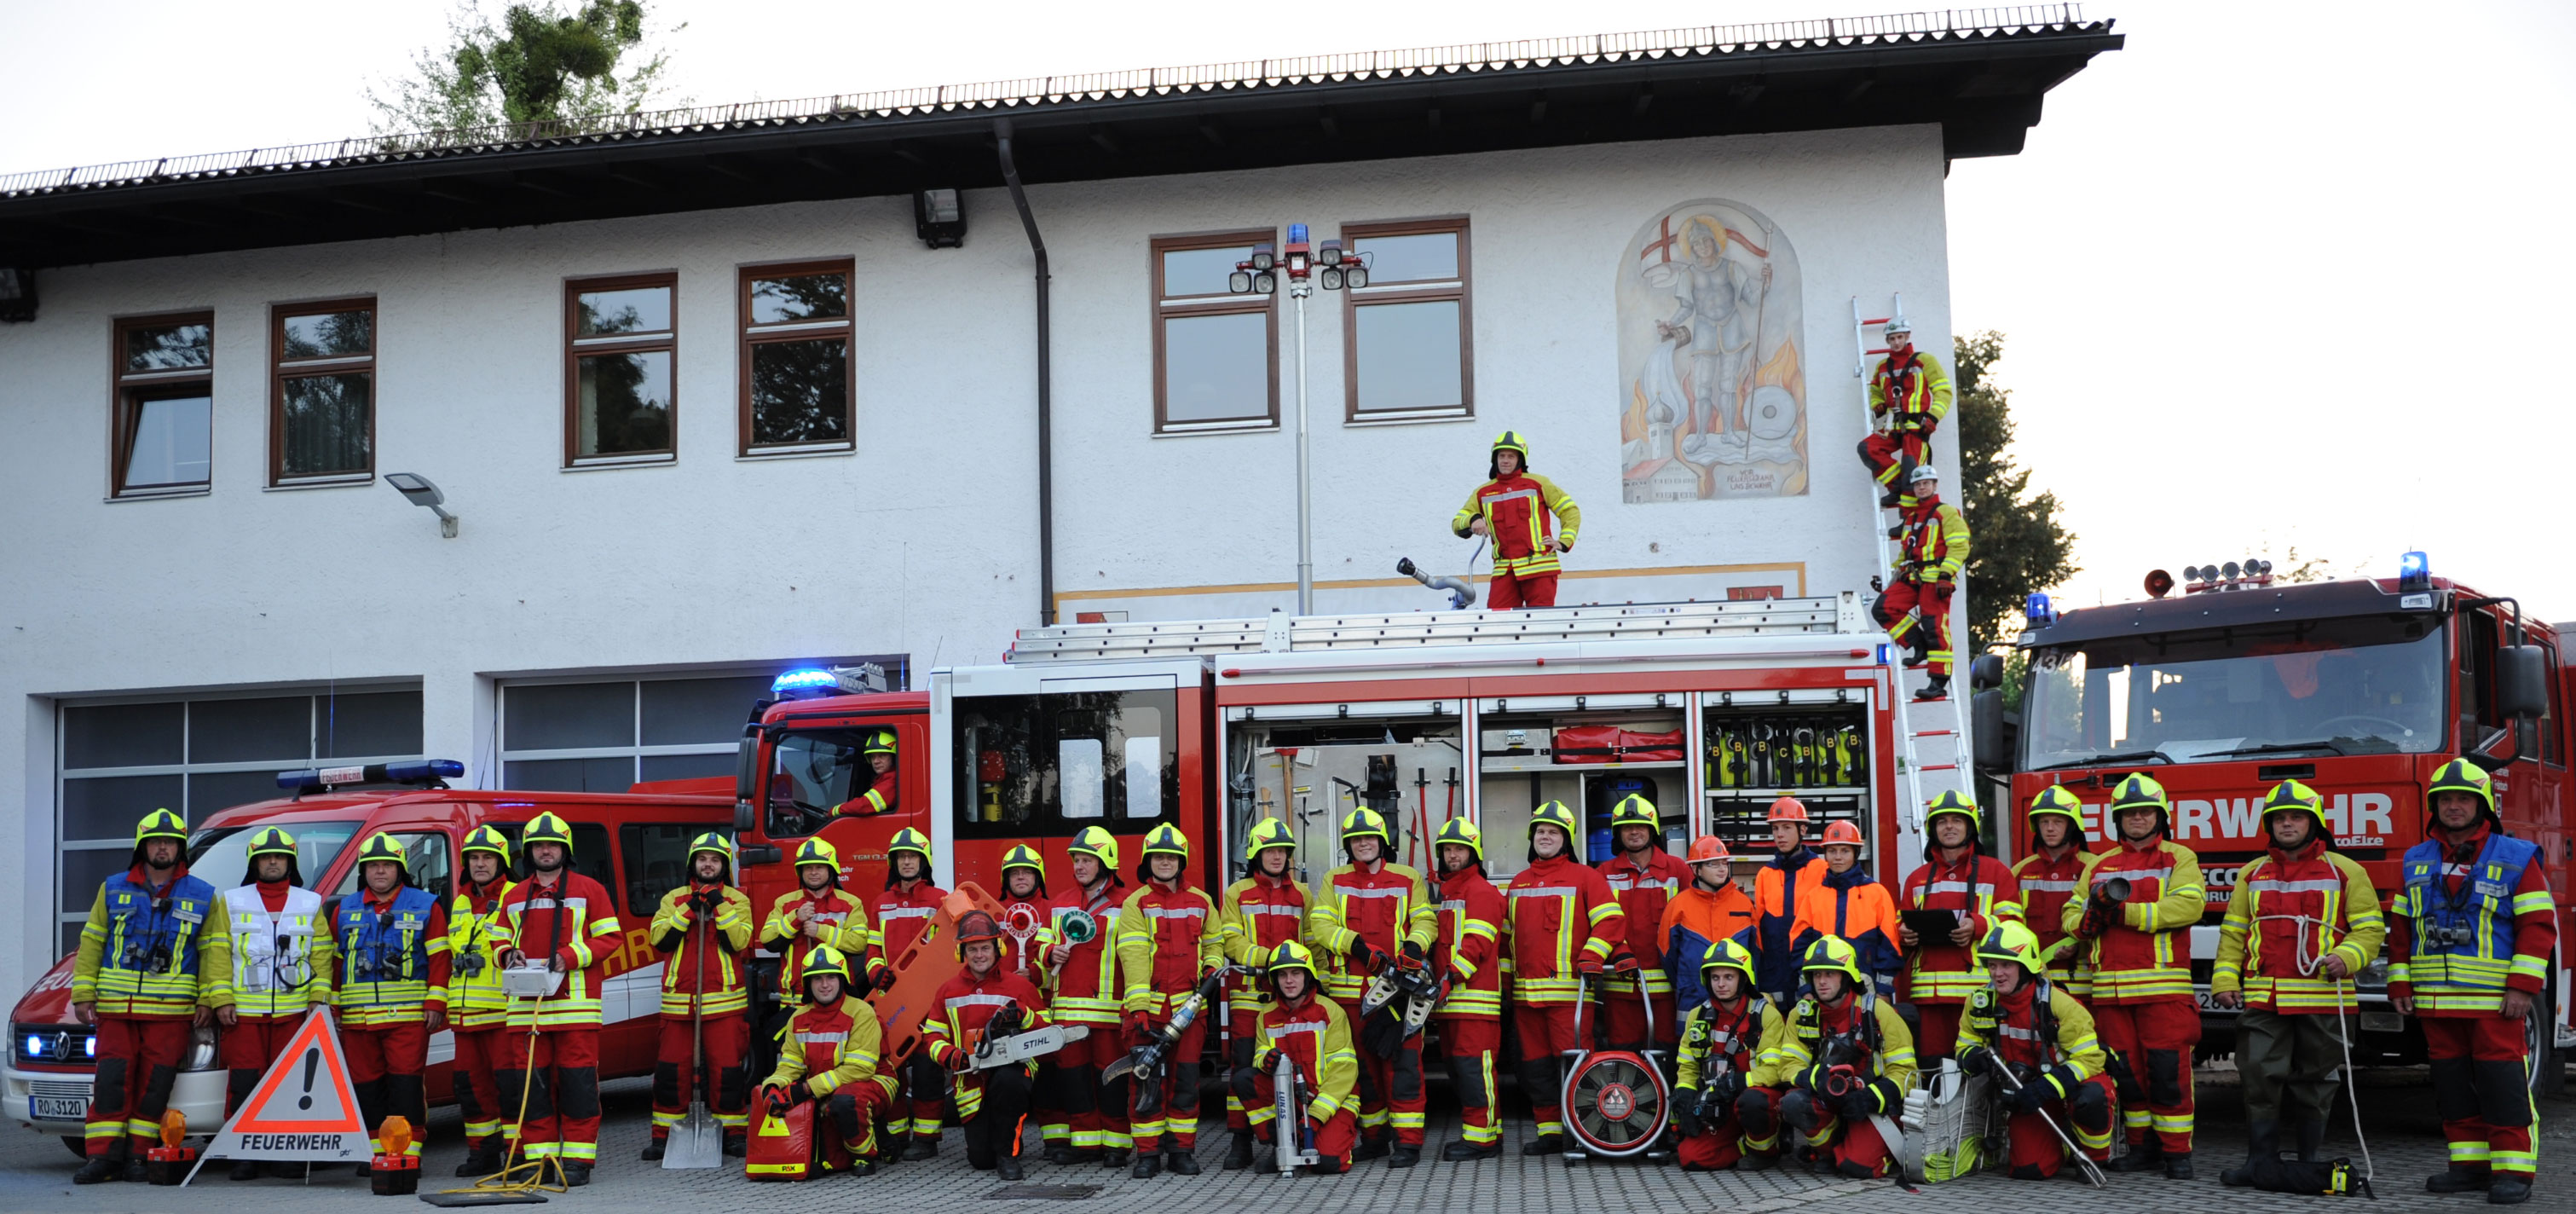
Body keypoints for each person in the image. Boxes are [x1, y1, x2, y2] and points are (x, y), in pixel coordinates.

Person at [2391, 760, 2556, 1205]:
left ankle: (2513, 1171)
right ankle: (2468, 1165)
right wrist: (2400, 984)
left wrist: (2522, 987)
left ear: (2483, 805)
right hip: (2436, 1001)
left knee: (2503, 1085)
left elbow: (2538, 926)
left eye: (2464, 799)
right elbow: (2402, 929)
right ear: (2435, 806)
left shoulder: (2516, 856)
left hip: (2494, 1002)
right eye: (2446, 799)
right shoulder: (2415, 859)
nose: (2454, 807)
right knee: (2453, 1087)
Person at [2212, 780, 2385, 1190]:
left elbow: (2369, 929)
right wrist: (2224, 978)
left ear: (2314, 823)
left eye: (2296, 817)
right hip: (2265, 997)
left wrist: (2347, 957)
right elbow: (2234, 932)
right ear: (2269, 826)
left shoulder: (2346, 871)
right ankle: (2259, 1163)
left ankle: (2308, 1164)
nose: (2287, 824)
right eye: (2279, 819)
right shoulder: (2252, 873)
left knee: (2316, 1081)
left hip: (2322, 997)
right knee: (2257, 1075)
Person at [2063, 774, 2205, 1177]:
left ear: (2160, 817)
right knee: (2128, 1077)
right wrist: (2084, 922)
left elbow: (2189, 907)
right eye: (2129, 813)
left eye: (2145, 812)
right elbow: (2071, 912)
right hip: (2110, 993)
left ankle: (2177, 1154)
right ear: (2117, 820)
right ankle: (2142, 1149)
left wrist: (2123, 913)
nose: (2137, 819)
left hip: (2163, 991)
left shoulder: (2179, 858)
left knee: (2168, 1075)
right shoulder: (2100, 865)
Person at [72, 809, 223, 1184]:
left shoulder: (204, 895)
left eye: (170, 842)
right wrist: (83, 992)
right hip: (116, 1009)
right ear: (142, 847)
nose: (162, 848)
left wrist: (209, 999)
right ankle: (102, 1158)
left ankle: (139, 1156)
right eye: (155, 841)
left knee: (155, 1086)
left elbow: (214, 952)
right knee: (111, 1081)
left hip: (170, 1011)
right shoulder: (112, 888)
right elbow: (92, 943)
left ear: (181, 849)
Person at [495, 812, 625, 1186]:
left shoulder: (590, 890)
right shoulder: (514, 895)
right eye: (538, 845)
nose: (546, 851)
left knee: (578, 1088)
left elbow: (610, 939)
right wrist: (507, 953)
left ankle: (578, 1161)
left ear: (565, 850)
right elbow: (497, 937)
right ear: (529, 852)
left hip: (575, 1010)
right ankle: (541, 1160)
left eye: (552, 845)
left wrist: (569, 956)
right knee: (533, 1091)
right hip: (527, 1012)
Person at [1307, 806, 1437, 1165]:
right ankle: (1375, 1138)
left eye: (1369, 838)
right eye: (1356, 839)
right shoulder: (1334, 879)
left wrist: (1415, 945)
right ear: (1348, 845)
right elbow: (1321, 925)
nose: (1363, 844)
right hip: (1350, 997)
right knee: (1363, 1072)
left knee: (1404, 1069)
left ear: (1382, 842)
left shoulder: (1408, 878)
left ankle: (1408, 1144)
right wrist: (1356, 946)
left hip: (1399, 994)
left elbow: (1425, 919)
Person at [210, 826, 334, 1182]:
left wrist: (318, 998)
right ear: (255, 863)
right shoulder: (231, 901)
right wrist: (221, 998)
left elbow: (322, 955)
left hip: (294, 1014)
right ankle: (244, 1154)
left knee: (290, 1085)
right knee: (244, 1083)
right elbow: (218, 954)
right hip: (244, 1014)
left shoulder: (310, 902)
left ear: (290, 863)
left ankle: (286, 1154)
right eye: (266, 857)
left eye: (280, 857)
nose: (273, 862)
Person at [1505, 801, 1625, 1155]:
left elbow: (1611, 921)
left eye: (1553, 832)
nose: (1545, 837)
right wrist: (1504, 986)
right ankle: (1551, 1133)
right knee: (1536, 1069)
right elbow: (1506, 938)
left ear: (1566, 840)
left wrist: (1591, 955)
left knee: (1576, 1065)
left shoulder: (1586, 877)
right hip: (1526, 998)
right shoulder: (1518, 882)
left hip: (1569, 995)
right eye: (1540, 831)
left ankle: (1584, 1131)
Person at [328, 832, 451, 1171]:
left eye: (387, 865)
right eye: (372, 866)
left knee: (405, 1085)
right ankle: (375, 1152)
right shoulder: (344, 909)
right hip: (357, 1020)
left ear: (400, 869)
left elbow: (440, 959)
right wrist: (333, 1007)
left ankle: (407, 1151)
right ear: (363, 871)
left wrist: (436, 1003)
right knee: (366, 1087)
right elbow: (335, 964)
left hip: (407, 1018)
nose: (380, 871)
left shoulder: (426, 905)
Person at [1955, 922, 2114, 1180]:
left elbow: (2090, 1059)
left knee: (2093, 1097)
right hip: (2026, 1093)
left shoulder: (2060, 1005)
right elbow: (1965, 1043)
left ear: (2026, 966)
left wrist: (2048, 1086)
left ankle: (2093, 1156)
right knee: (2028, 1169)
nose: (1997, 974)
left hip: (2067, 1084)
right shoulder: (1980, 1002)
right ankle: (2062, 1142)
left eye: (2006, 965)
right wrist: (1971, 1057)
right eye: (1992, 965)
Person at [1753, 936, 1916, 1178]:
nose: (1821, 981)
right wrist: (1816, 1078)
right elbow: (1788, 1065)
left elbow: (1906, 1071)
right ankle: (1828, 1152)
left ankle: (1864, 1146)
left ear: (1847, 976)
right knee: (1793, 1103)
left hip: (1870, 1103)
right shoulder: (1802, 1015)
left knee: (1860, 1167)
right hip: (1826, 1095)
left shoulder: (1877, 1011)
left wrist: (1873, 1097)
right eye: (1816, 975)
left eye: (1830, 974)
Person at [1114, 824, 1222, 1177]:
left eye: (1171, 857)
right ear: (1148, 861)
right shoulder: (1136, 903)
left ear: (1181, 862)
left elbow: (1214, 942)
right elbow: (1133, 958)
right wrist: (1140, 1009)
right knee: (1146, 1082)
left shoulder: (1202, 902)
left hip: (1190, 1012)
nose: (1165, 862)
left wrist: (1211, 967)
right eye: (1158, 857)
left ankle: (1181, 1151)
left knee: (1185, 1083)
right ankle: (1148, 1155)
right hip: (1150, 1012)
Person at [642, 832, 754, 1161]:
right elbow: (659, 940)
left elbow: (739, 942)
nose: (708, 865)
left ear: (724, 865)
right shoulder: (673, 899)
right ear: (692, 863)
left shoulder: (738, 900)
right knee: (670, 1072)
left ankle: (733, 1134)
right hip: (679, 1002)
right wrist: (689, 910)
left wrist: (719, 905)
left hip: (725, 1002)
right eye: (703, 859)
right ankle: (664, 1136)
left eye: (715, 860)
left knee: (727, 1072)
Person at [922, 910, 1051, 1181]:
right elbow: (932, 1036)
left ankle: (1008, 1155)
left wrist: (1023, 1015)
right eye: (972, 949)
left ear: (998, 949)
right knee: (981, 1161)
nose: (979, 955)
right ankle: (995, 1142)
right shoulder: (947, 991)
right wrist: (952, 1056)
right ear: (962, 953)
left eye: (985, 948)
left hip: (1012, 1068)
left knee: (1008, 1082)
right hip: (971, 1076)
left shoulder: (1020, 986)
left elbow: (1046, 1032)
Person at [1897, 790, 2021, 1061]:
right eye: (1942, 822)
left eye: (1957, 820)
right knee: (1934, 1067)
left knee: (1980, 1064)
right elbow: (1900, 921)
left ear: (1970, 828)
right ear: (1933, 829)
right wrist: (1903, 933)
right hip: (1929, 995)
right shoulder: (1917, 878)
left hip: (1979, 991)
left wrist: (1978, 925)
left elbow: (2015, 926)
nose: (1949, 827)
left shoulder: (1996, 872)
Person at [758, 945, 898, 1176]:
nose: (825, 985)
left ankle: (865, 1155)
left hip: (873, 1081)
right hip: (826, 1088)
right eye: (817, 979)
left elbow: (859, 1069)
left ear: (842, 980)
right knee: (827, 1164)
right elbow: (790, 1064)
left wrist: (806, 1089)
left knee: (845, 1102)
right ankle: (877, 1137)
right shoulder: (798, 1019)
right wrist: (773, 1086)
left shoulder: (861, 1012)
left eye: (831, 977)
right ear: (808, 984)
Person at [1216, 818, 1308, 1169]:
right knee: (1243, 1069)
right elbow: (1231, 941)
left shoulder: (1302, 895)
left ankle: (1282, 1138)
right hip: (1249, 999)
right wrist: (1270, 960)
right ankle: (1240, 1140)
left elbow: (1312, 944)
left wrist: (1320, 986)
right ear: (1256, 854)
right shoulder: (1237, 894)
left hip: (1290, 1002)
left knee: (1287, 1068)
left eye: (1282, 851)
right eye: (1270, 851)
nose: (1277, 857)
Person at [1233, 941, 1360, 1175]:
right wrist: (1266, 1060)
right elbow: (1260, 1053)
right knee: (1244, 1079)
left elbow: (1343, 1071)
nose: (1289, 981)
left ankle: (1320, 1142)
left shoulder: (1330, 1012)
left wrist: (1316, 1116)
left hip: (1331, 1101)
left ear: (1308, 976)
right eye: (1282, 975)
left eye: (1296, 973)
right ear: (1275, 980)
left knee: (1328, 1164)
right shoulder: (1266, 1016)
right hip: (1290, 1102)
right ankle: (1281, 1146)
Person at [1045, 826, 1131, 1166]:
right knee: (1075, 1080)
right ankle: (1085, 1145)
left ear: (1105, 863)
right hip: (1068, 1013)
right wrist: (1049, 952)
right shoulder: (1060, 903)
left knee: (1111, 1080)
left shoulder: (1127, 903)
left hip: (1110, 1013)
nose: (1079, 866)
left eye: (1087, 860)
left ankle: (1117, 1146)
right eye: (1076, 860)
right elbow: (1041, 942)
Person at [863, 828, 950, 1159]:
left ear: (924, 862)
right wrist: (876, 972)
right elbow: (873, 949)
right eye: (901, 857)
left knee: (928, 1069)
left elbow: (952, 947)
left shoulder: (940, 898)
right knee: (891, 1067)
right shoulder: (880, 903)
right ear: (894, 863)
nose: (907, 862)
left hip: (929, 999)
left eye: (913, 856)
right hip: (892, 997)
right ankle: (897, 1135)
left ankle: (927, 1139)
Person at [1428, 818, 1508, 1160]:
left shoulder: (1480, 891)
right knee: (1460, 1071)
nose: (1452, 855)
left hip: (1474, 1001)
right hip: (1452, 1003)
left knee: (1474, 1072)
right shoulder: (1451, 893)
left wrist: (1450, 978)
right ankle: (1486, 1132)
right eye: (1447, 849)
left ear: (1473, 853)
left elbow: (1476, 944)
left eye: (1459, 849)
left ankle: (1482, 1140)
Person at [1672, 939, 1787, 1171]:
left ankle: (1766, 1151)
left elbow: (1775, 1071)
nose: (1721, 984)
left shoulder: (1765, 1016)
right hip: (1716, 1102)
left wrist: (1739, 1082)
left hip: (1752, 1097)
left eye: (1728, 977)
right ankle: (1743, 1144)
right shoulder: (1697, 1016)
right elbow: (1688, 1066)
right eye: (1715, 978)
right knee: (1691, 1158)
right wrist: (1685, 1093)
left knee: (1754, 1102)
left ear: (1743, 978)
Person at [447, 825, 519, 1176]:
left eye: (488, 857)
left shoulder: (516, 896)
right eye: (474, 858)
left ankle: (519, 1154)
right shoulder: (460, 901)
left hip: (503, 1014)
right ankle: (483, 1153)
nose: (480, 864)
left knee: (511, 1088)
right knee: (470, 1089)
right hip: (464, 1016)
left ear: (501, 862)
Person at [1597, 794, 1689, 1053]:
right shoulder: (1603, 874)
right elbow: (1599, 925)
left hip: (1667, 992)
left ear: (1653, 830)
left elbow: (1692, 923)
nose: (1634, 832)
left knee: (1666, 1055)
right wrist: (1619, 952)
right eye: (1627, 827)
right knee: (1623, 1056)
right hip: (1620, 991)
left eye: (1641, 826)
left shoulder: (1677, 870)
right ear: (1618, 833)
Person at [1451, 430, 1580, 610]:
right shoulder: (1483, 492)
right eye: (1501, 456)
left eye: (1511, 456)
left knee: (1540, 622)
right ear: (1495, 459)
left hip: (1539, 568)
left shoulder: (1538, 483)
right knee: (1497, 621)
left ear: (1520, 459)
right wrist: (1473, 520)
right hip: (1505, 571)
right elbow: (1457, 522)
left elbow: (1570, 511)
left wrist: (1564, 541)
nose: (1505, 460)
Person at [1871, 464, 1970, 700]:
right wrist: (1888, 580)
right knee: (1883, 608)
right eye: (1917, 485)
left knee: (1934, 626)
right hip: (1913, 576)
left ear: (1935, 485)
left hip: (1936, 580)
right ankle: (1919, 645)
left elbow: (1960, 546)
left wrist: (1946, 574)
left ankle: (1938, 682)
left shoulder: (1947, 512)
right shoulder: (1912, 517)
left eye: (1926, 483)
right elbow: (1906, 554)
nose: (1921, 487)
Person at [993, 846, 1066, 1158]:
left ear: (1039, 878)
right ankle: (1010, 1141)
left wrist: (1035, 973)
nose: (1020, 878)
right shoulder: (994, 912)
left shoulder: (1053, 910)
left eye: (1027, 872)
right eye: (1014, 873)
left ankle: (1057, 1141)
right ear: (1005, 879)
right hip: (1004, 1009)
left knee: (1049, 1075)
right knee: (1008, 1077)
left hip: (1042, 1004)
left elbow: (1062, 958)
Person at [758, 838, 864, 1036]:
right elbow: (768, 940)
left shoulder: (850, 903)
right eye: (808, 868)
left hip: (836, 997)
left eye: (819, 867)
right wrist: (795, 919)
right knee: (794, 1051)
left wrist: (820, 931)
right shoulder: (785, 903)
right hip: (794, 1000)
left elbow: (858, 944)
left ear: (831, 870)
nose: (813, 872)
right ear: (800, 872)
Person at [1857, 316, 1953, 508]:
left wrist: (1933, 417)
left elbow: (1944, 392)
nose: (1896, 342)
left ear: (1907, 336)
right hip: (1892, 426)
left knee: (1912, 471)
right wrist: (1878, 404)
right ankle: (1896, 487)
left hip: (1917, 427)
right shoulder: (1883, 367)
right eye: (1892, 338)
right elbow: (1875, 391)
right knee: (1867, 449)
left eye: (1900, 337)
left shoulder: (1925, 361)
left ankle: (1908, 518)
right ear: (1887, 340)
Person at [1741, 797, 1826, 1006]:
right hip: (1773, 974)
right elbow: (1760, 932)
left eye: (1787, 827)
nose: (1780, 834)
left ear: (1802, 830)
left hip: (1812, 970)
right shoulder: (1765, 874)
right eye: (1775, 828)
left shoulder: (1821, 870)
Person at [2012, 787, 2094, 995]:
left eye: (2058, 822)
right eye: (2044, 822)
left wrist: (2079, 945)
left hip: (2084, 981)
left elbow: (2103, 920)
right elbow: (2010, 923)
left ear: (2072, 825)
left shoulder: (2093, 867)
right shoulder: (2021, 871)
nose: (2050, 828)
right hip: (2035, 979)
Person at [1808, 821, 1903, 997]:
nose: (1838, 857)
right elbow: (1800, 947)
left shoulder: (1877, 893)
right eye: (1832, 851)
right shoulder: (1813, 897)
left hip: (1866, 988)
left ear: (1855, 853)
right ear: (1825, 855)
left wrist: (1884, 991)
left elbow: (1890, 947)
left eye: (1845, 851)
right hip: (1824, 991)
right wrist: (1806, 989)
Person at [1661, 835, 1754, 1012]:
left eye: (1724, 863)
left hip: (1737, 1002)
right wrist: (1688, 983)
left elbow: (1756, 952)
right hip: (1692, 999)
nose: (1722, 869)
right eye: (1713, 864)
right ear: (1696, 869)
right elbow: (1667, 956)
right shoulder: (1678, 906)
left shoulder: (1744, 904)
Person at [834, 731, 902, 817]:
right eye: (873, 756)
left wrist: (834, 811)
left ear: (894, 757)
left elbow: (864, 805)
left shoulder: (893, 780)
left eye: (882, 755)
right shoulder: (883, 779)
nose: (876, 761)